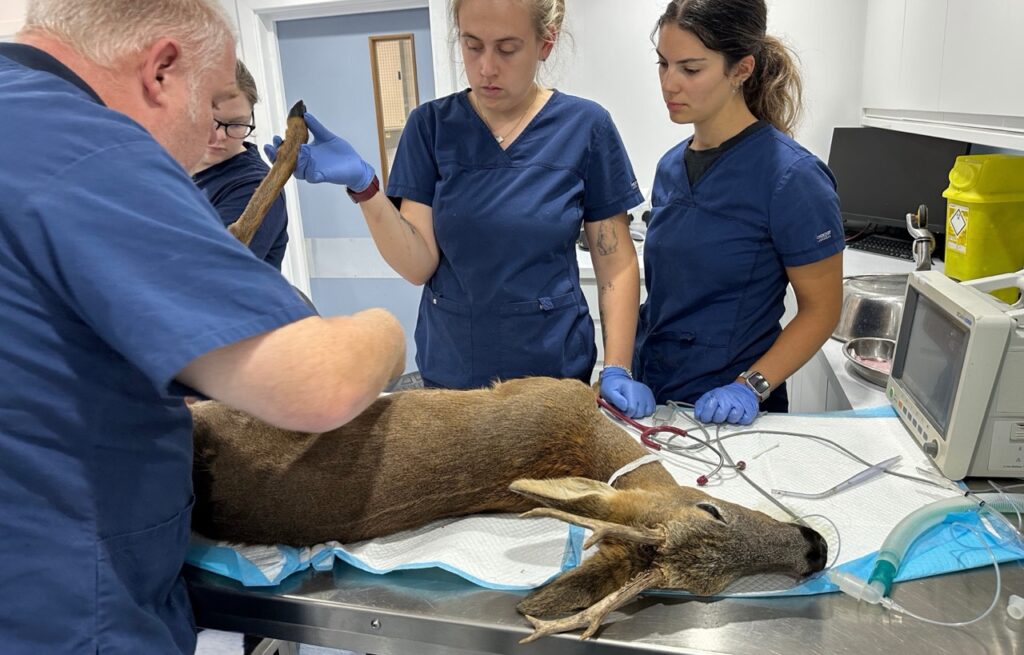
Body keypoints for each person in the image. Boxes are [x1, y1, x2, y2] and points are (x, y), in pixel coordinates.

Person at [0, 2, 405, 653]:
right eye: (212, 107)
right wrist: (387, 328)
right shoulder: (90, 149)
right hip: (59, 609)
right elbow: (320, 382)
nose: (211, 138)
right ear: (161, 70)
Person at [267, 0, 656, 418]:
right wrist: (365, 187)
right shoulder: (430, 127)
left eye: (507, 49)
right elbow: (418, 265)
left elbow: (614, 261)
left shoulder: (585, 127)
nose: (486, 67)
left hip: (552, 375)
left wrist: (617, 367)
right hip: (452, 372)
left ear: (546, 43)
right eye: (472, 46)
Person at [634, 0, 843, 425]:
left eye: (690, 69)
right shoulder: (670, 167)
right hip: (654, 397)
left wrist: (751, 386)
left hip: (731, 412)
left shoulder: (793, 178)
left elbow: (822, 310)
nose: (669, 84)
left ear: (741, 69)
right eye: (663, 64)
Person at [193, 60, 289, 269]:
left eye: (236, 124)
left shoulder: (253, 189)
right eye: (210, 121)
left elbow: (203, 274)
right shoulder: (171, 160)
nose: (219, 136)